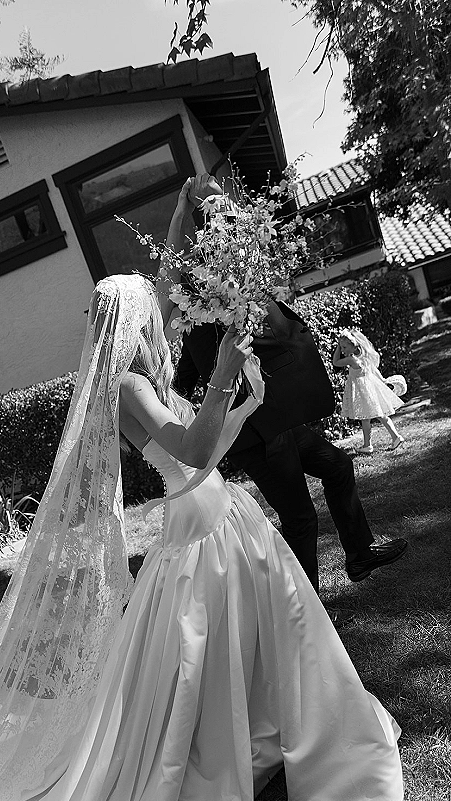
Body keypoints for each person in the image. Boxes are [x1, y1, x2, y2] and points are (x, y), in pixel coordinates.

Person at [0, 274, 403, 801]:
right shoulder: (126, 385)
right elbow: (193, 455)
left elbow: (204, 455)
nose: (160, 323)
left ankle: (274, 729)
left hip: (218, 514)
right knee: (209, 652)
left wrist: (247, 400)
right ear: (131, 321)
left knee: (259, 636)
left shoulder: (145, 382)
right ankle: (233, 749)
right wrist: (224, 373)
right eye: (151, 313)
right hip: (200, 529)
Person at [158, 175, 408, 590]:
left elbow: (242, 246)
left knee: (339, 465)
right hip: (256, 432)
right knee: (300, 518)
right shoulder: (200, 299)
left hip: (278, 418)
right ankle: (303, 613)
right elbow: (173, 264)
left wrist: (222, 203)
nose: (229, 234)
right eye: (219, 228)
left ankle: (360, 554)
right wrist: (187, 211)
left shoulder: (237, 283)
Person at [334, 328, 405, 454]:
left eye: (344, 347)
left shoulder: (352, 360)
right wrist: (382, 379)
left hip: (363, 391)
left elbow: (336, 362)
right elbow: (374, 370)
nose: (343, 351)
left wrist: (337, 348)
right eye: (341, 348)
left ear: (353, 345)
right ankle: (390, 438)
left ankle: (373, 443)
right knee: (378, 416)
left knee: (368, 417)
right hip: (370, 388)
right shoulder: (363, 356)